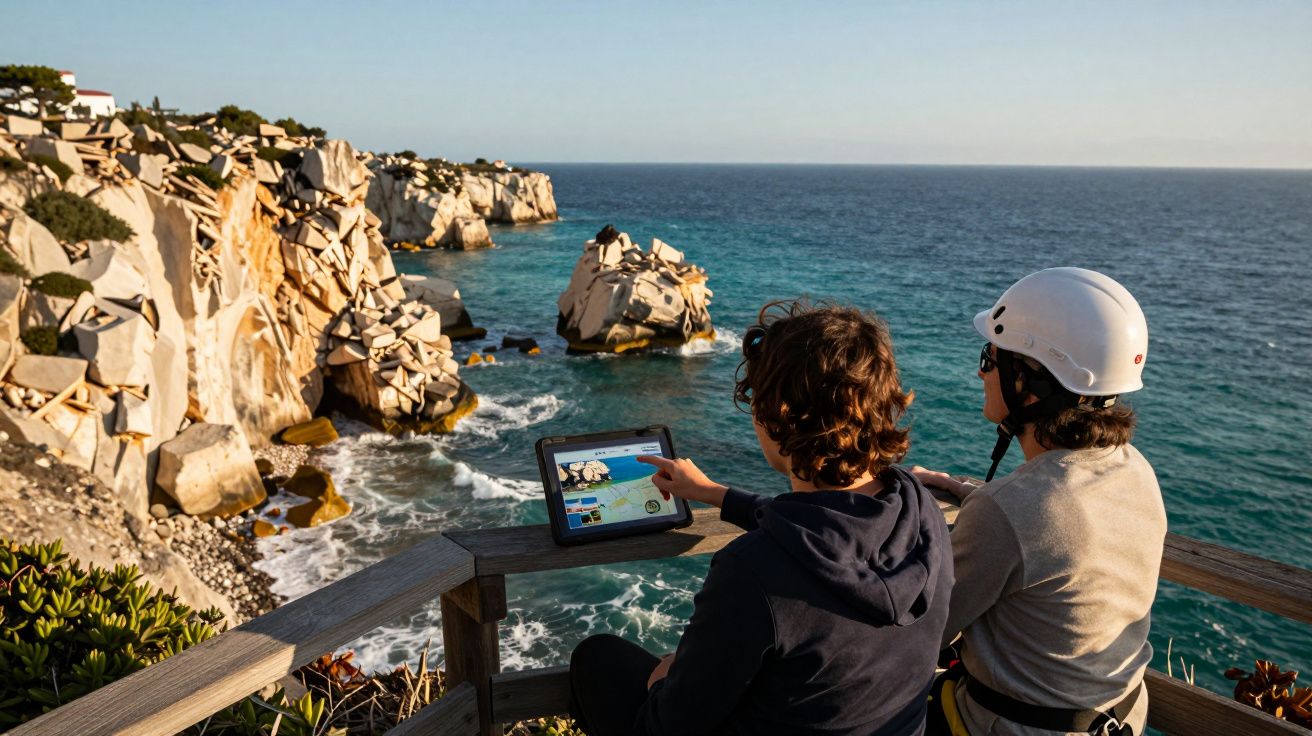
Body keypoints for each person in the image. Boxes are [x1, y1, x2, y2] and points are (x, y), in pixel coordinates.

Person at [568, 300, 953, 736]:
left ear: (776, 416)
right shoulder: (919, 509)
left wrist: (665, 682)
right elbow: (825, 534)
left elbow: (669, 726)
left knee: (597, 658)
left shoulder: (752, 571)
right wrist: (715, 494)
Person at [914, 267, 1167, 736]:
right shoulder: (1134, 469)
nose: (980, 371)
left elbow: (928, 633)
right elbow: (1057, 530)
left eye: (990, 357)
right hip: (1119, 716)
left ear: (1030, 382)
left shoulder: (1010, 510)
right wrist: (972, 493)